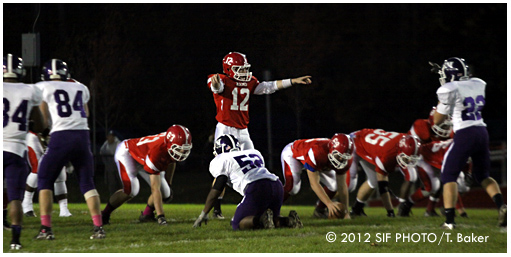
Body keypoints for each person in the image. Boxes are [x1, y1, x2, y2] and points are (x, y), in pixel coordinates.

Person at [207, 52, 312, 218]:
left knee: (254, 165)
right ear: (229, 69)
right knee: (224, 167)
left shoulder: (249, 81)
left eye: (244, 68)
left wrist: (292, 81)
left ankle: (258, 201)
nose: (243, 72)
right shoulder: (220, 78)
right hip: (226, 130)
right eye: (238, 69)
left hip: (243, 130)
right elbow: (216, 87)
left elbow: (268, 87)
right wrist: (216, 86)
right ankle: (216, 209)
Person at [431, 57, 506, 229]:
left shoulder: (449, 88)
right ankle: (502, 206)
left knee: (448, 175)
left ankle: (449, 221)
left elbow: (437, 119)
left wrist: (440, 102)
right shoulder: (478, 83)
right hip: (481, 131)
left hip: (465, 134)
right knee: (483, 176)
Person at [34, 59, 105, 240]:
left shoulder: (43, 86)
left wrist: (43, 132)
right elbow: (86, 113)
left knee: (44, 179)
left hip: (61, 136)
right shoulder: (80, 87)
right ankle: (98, 227)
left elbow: (43, 116)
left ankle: (45, 229)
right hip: (82, 136)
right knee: (87, 183)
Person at [193, 134, 302, 230]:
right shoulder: (253, 152)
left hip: (256, 187)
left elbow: (218, 186)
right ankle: (288, 220)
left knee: (236, 223)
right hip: (276, 184)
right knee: (273, 220)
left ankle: (261, 220)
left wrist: (204, 213)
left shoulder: (222, 159)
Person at [101, 125, 192, 225]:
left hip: (146, 157)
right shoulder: (157, 151)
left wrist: (168, 182)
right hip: (128, 153)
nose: (183, 152)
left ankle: (147, 214)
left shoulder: (169, 144)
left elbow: (172, 160)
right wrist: (161, 216)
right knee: (132, 189)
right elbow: (154, 188)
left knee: (166, 193)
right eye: (180, 148)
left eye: (185, 148)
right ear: (170, 144)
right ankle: (104, 214)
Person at [3, 54, 44, 249]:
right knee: (15, 198)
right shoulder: (31, 90)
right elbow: (42, 123)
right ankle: (15, 241)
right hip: (16, 150)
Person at [348, 129, 421, 217]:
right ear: (399, 151)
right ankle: (327, 203)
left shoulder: (406, 140)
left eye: (412, 158)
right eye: (407, 158)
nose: (409, 161)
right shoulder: (387, 155)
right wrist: (390, 212)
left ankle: (356, 209)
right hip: (354, 143)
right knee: (349, 185)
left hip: (369, 146)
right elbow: (382, 187)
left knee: (373, 181)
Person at [280, 133, 353, 219]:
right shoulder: (318, 151)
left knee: (334, 185)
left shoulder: (345, 160)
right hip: (294, 154)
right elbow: (314, 184)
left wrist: (346, 212)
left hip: (321, 161)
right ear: (331, 149)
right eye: (338, 156)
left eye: (344, 157)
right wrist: (329, 203)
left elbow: (342, 186)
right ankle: (271, 208)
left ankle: (320, 211)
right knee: (293, 188)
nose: (341, 160)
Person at [22, 130, 73, 217]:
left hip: (54, 138)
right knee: (37, 170)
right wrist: (45, 144)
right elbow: (38, 126)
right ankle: (26, 204)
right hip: (35, 137)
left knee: (60, 174)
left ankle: (64, 209)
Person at [100, 130, 122, 195]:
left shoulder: (118, 143)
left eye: (111, 136)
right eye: (109, 136)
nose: (110, 137)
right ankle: (113, 199)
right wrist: (106, 163)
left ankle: (124, 198)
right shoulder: (106, 144)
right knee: (112, 184)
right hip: (110, 167)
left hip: (119, 166)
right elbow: (101, 152)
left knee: (121, 183)